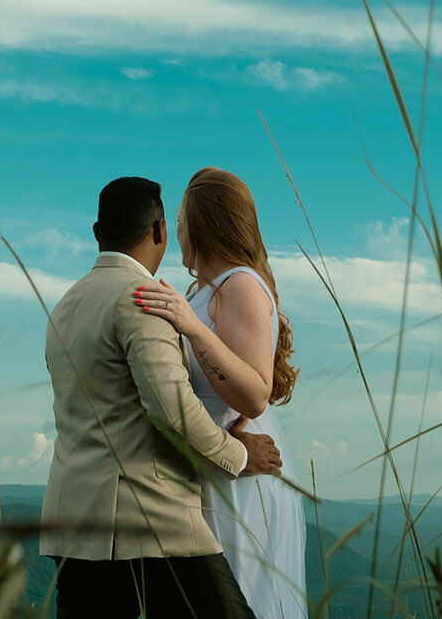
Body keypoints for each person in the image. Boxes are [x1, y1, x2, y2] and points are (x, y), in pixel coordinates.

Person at [41, 175, 282, 619]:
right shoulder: (141, 298)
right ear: (157, 231)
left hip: (73, 525)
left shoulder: (66, 305)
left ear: (97, 233)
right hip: (150, 522)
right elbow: (171, 410)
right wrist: (239, 455)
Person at [131, 167, 307, 619]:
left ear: (204, 224)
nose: (177, 234)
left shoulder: (242, 285)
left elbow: (254, 395)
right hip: (213, 467)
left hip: (241, 479)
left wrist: (189, 327)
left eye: (182, 222)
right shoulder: (201, 291)